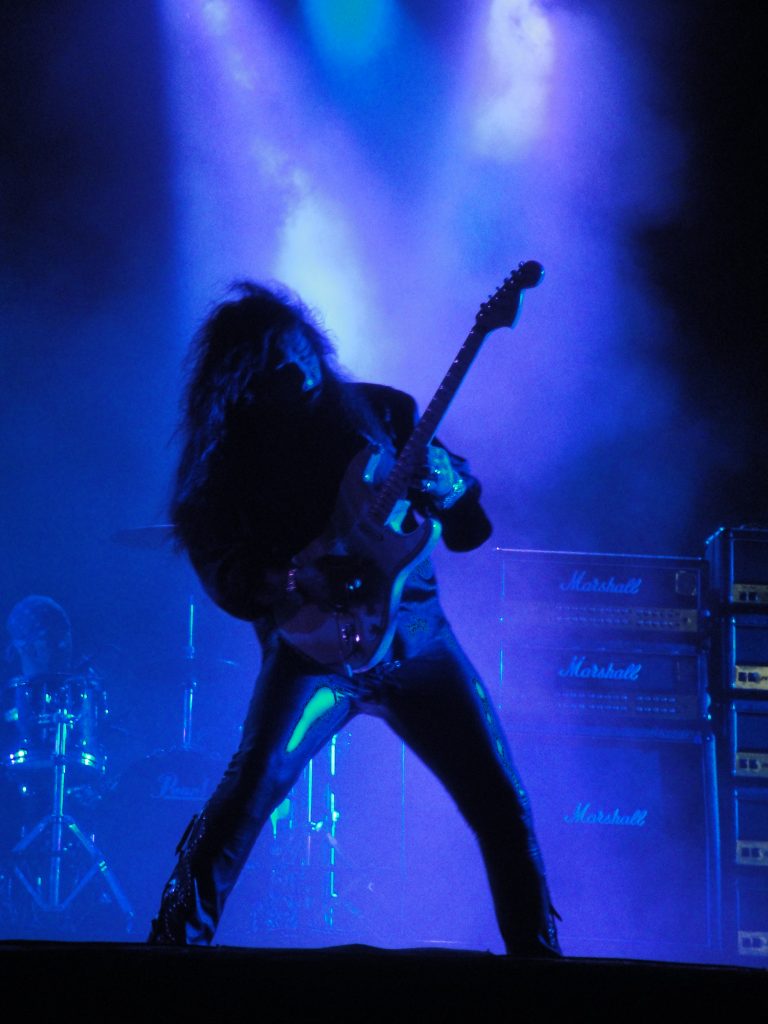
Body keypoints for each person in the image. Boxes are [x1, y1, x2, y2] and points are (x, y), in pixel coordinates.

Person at [147, 280, 561, 956]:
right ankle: (170, 951)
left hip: (419, 646)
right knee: (248, 796)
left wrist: (450, 485)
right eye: (273, 365)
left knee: (501, 802)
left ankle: (541, 964)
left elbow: (471, 529)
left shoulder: (386, 414)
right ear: (241, 386)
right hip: (316, 658)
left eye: (302, 350)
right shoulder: (228, 465)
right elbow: (223, 568)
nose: (297, 370)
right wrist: (292, 576)